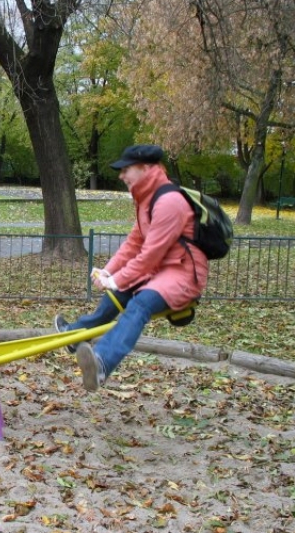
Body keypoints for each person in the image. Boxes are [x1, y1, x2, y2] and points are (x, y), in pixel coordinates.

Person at [54, 144, 208, 391]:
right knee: (118, 296)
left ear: (145, 168)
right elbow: (135, 242)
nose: (121, 176)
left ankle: (102, 364)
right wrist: (108, 271)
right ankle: (76, 334)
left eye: (126, 169)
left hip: (183, 273)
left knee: (140, 304)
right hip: (159, 270)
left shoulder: (169, 201)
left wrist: (117, 279)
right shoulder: (147, 200)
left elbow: (150, 254)